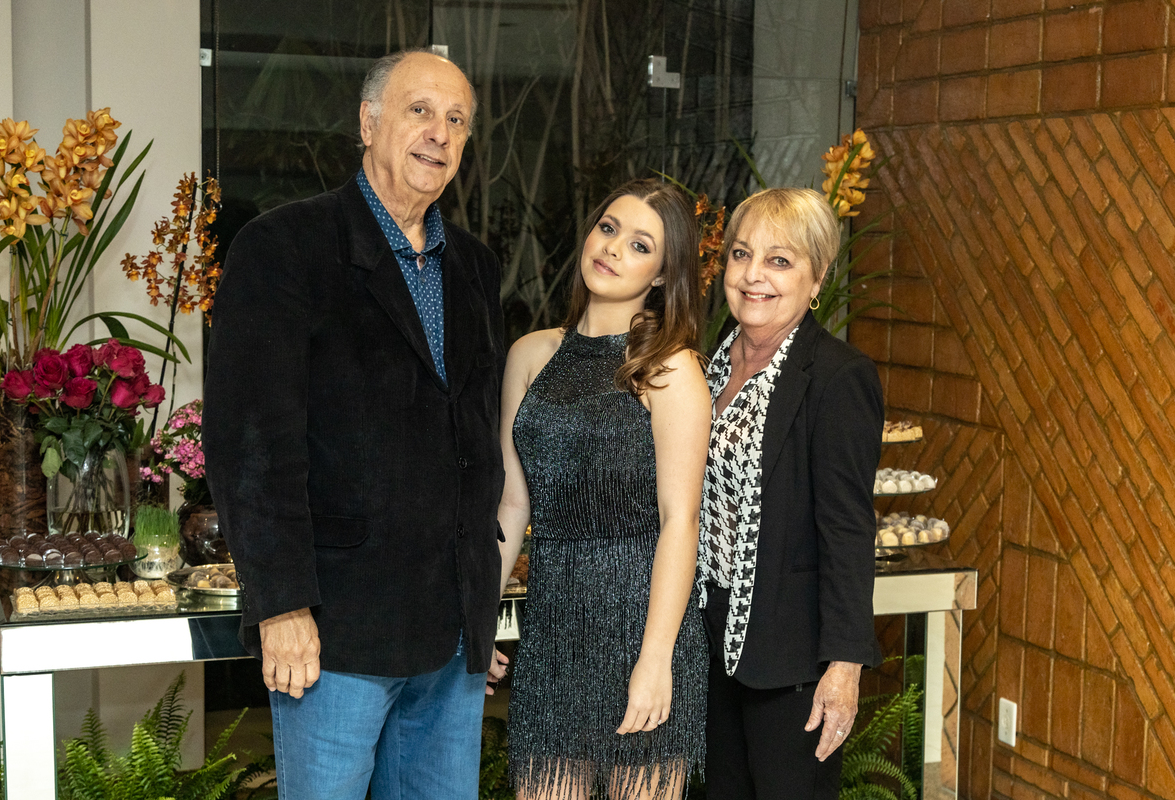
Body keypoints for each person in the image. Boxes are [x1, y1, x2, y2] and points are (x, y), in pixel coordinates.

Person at [204, 49, 507, 800]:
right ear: (368, 124)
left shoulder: (474, 267)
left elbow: (474, 441)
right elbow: (251, 446)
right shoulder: (283, 248)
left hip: (450, 635)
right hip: (335, 632)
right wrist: (281, 603)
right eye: (419, 111)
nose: (439, 133)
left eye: (457, 120)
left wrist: (482, 610)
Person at [496, 178, 711, 800]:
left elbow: (679, 521)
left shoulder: (671, 367)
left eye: (640, 245)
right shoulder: (530, 354)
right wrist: (484, 617)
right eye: (609, 228)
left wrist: (656, 660)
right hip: (554, 640)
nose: (613, 248)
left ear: (663, 274)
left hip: (644, 632)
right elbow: (512, 504)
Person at [698, 188, 883, 799]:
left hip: (790, 659)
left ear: (817, 278)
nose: (753, 275)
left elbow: (848, 529)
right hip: (701, 647)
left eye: (779, 261)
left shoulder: (837, 377)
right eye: (741, 254)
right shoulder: (704, 366)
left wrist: (845, 666)